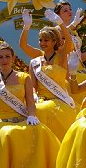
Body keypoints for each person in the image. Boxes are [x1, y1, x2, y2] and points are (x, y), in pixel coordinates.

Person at [18, 9, 77, 139]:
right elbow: (23, 46)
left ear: (54, 42)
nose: (42, 43)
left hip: (59, 101)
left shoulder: (61, 57)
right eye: (40, 40)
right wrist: (26, 27)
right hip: (41, 101)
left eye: (46, 40)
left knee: (42, 111)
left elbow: (68, 40)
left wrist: (60, 22)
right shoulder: (36, 60)